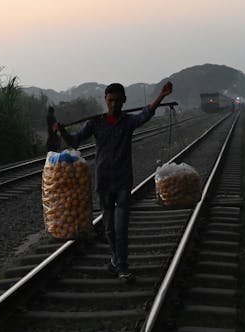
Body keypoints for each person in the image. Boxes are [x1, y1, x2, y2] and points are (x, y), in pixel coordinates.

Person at [58, 81, 173, 282]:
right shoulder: (95, 123)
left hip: (123, 181)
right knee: (109, 229)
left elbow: (145, 114)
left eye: (118, 101)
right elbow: (74, 141)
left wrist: (161, 96)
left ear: (124, 101)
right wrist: (62, 132)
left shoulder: (127, 122)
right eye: (110, 100)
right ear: (105, 100)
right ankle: (115, 259)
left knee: (121, 228)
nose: (114, 104)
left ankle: (122, 267)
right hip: (103, 182)